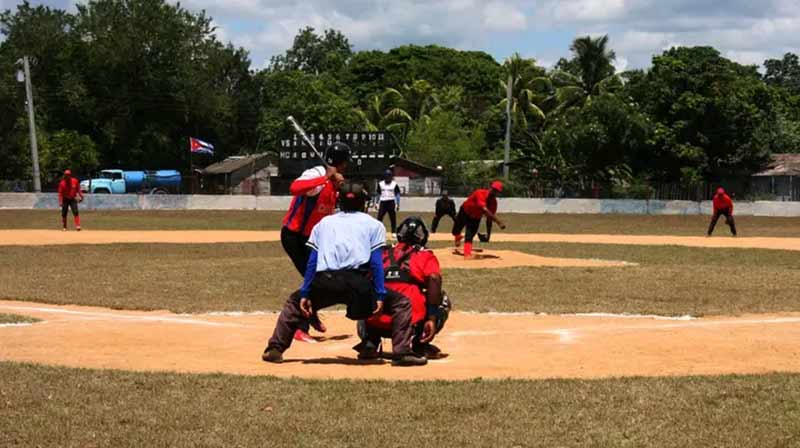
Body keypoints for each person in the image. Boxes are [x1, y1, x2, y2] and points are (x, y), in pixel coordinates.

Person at [262, 181, 427, 367]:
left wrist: (306, 291)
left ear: (339, 202)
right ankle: (402, 352)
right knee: (401, 302)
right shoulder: (374, 225)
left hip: (325, 280)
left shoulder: (323, 223)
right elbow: (375, 263)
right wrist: (380, 294)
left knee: (294, 303)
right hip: (358, 284)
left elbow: (312, 262)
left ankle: (275, 349)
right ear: (363, 203)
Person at [280, 142, 351, 342]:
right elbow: (294, 187)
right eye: (346, 163)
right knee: (314, 280)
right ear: (342, 162)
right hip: (294, 237)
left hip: (312, 240)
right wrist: (325, 177)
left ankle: (309, 315)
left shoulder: (335, 182)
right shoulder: (316, 174)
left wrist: (339, 186)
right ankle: (299, 327)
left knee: (323, 279)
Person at [354, 217, 451, 360]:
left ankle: (370, 342)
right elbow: (434, 279)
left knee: (366, 294)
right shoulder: (424, 255)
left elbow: (361, 276)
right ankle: (419, 343)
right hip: (407, 323)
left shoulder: (381, 252)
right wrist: (431, 317)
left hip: (376, 319)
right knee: (442, 298)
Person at [452, 181, 507, 258]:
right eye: (494, 189)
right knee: (455, 231)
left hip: (475, 217)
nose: (494, 192)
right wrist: (499, 222)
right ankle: (457, 236)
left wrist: (488, 235)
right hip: (465, 211)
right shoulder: (480, 193)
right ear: (490, 187)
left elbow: (489, 219)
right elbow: (484, 209)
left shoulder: (493, 203)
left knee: (470, 235)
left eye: (497, 191)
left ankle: (467, 254)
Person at [376, 169, 401, 235]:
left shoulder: (394, 184)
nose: (388, 178)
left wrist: (398, 203)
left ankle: (393, 231)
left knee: (393, 218)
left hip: (391, 201)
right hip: (383, 202)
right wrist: (376, 203)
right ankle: (377, 231)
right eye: (387, 176)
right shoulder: (381, 184)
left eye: (389, 176)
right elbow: (378, 194)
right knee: (379, 218)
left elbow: (397, 194)